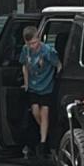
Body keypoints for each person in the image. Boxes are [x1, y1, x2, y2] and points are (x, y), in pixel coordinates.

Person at [19, 26, 61, 158]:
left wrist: (57, 79)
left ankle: (43, 143)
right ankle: (48, 134)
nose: (33, 46)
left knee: (44, 112)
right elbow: (24, 66)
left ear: (39, 39)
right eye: (30, 44)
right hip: (33, 86)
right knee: (35, 111)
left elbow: (58, 65)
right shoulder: (25, 51)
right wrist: (26, 83)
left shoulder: (47, 51)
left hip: (47, 86)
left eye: (35, 42)